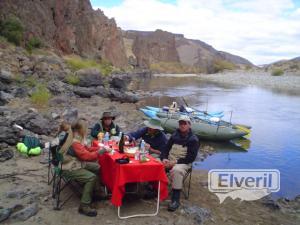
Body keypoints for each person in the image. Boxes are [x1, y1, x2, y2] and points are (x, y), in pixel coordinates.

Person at [60, 119, 108, 217]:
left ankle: (96, 191)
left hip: (75, 162)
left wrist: (100, 148)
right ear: (80, 130)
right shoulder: (74, 141)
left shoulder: (75, 136)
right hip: (69, 167)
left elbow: (86, 149)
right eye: (85, 128)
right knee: (91, 177)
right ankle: (84, 205)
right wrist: (100, 152)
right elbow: (86, 156)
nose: (86, 130)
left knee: (97, 167)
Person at [161, 115, 199, 212]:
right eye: (180, 123)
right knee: (155, 163)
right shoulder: (174, 135)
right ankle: (153, 189)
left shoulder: (193, 139)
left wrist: (175, 162)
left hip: (184, 163)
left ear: (189, 125)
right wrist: (164, 158)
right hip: (170, 159)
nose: (182, 125)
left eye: (184, 123)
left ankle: (175, 199)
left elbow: (191, 158)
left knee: (176, 170)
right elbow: (166, 148)